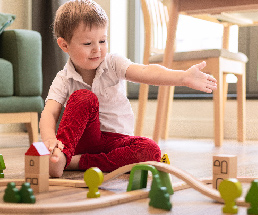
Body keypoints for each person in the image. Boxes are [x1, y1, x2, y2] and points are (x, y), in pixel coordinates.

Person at [39, 0, 217, 178]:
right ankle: (60, 157)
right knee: (83, 97)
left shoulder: (113, 63)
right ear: (64, 45)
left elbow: (146, 71)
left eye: (102, 41)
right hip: (80, 141)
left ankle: (75, 162)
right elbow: (50, 113)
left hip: (116, 141)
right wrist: (49, 140)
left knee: (151, 150)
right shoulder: (63, 78)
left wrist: (183, 77)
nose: (97, 50)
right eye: (87, 44)